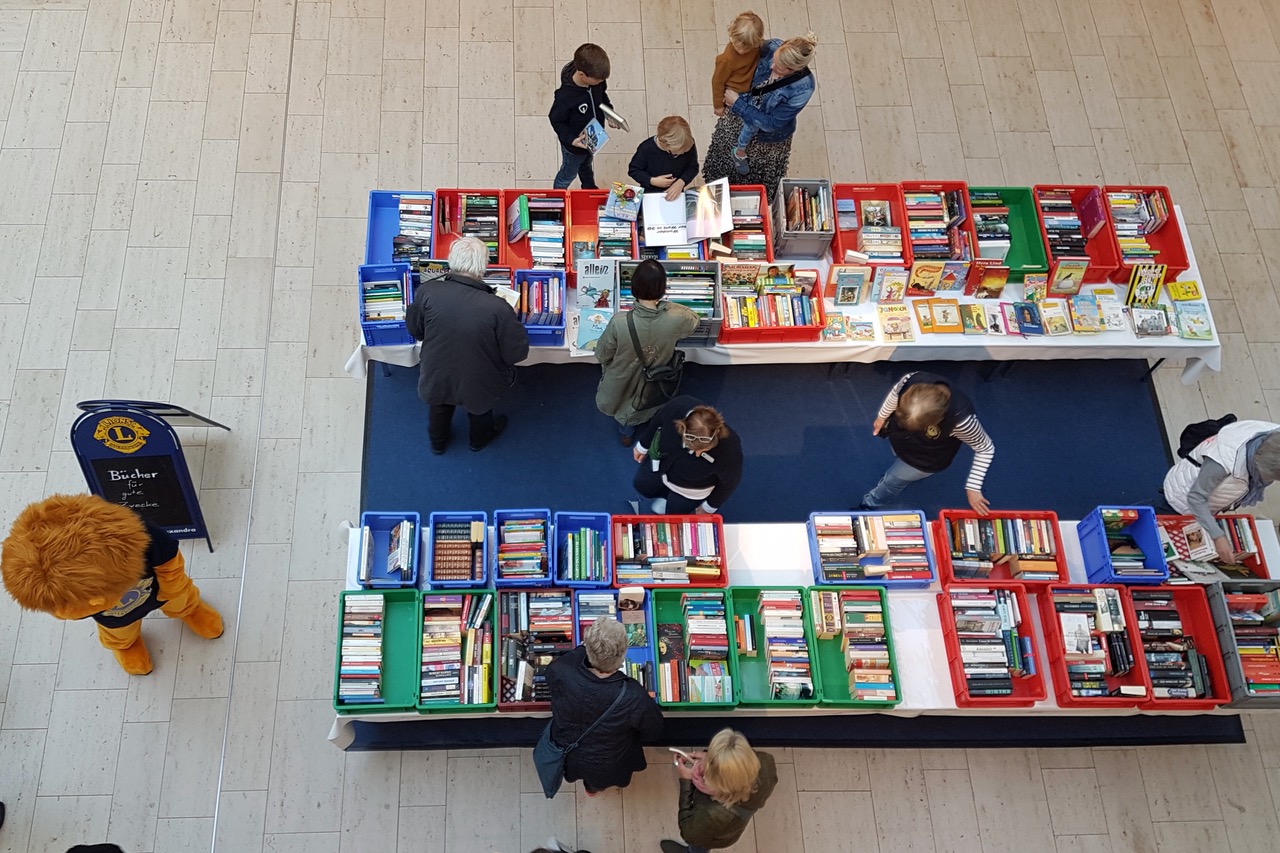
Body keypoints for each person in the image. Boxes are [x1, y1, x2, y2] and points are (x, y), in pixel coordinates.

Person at [2, 494, 224, 675]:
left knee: (180, 599)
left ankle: (190, 610)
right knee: (119, 631)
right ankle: (126, 645)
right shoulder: (65, 590)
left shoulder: (136, 534)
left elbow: (168, 558)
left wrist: (173, 585)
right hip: (115, 616)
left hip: (161, 589)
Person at [405, 236, 529, 453]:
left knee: (439, 405)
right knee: (480, 408)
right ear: (483, 267)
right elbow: (516, 354)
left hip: (436, 373)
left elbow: (416, 330)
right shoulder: (498, 307)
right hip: (479, 380)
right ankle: (479, 440)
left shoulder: (428, 291)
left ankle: (438, 443)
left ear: (452, 260)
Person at [545, 616, 663, 794]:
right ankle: (592, 790)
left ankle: (590, 788)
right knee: (597, 782)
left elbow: (557, 675)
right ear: (623, 655)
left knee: (583, 772)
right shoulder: (634, 695)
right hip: (609, 762)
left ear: (586, 646)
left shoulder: (561, 669)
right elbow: (654, 731)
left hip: (571, 753)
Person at [702, 33, 817, 202]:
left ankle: (754, 194)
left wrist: (737, 104)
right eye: (774, 60)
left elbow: (772, 123)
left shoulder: (804, 88)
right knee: (723, 154)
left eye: (779, 67)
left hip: (767, 136)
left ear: (795, 69)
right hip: (738, 116)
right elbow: (740, 53)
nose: (771, 66)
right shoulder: (771, 46)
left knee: (761, 170)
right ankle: (720, 183)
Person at [595, 260, 700, 445]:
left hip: (623, 377)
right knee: (654, 403)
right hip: (659, 377)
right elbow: (694, 318)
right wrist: (666, 304)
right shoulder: (675, 319)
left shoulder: (619, 322)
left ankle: (626, 434)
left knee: (625, 408)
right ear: (662, 288)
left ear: (634, 286)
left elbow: (602, 354)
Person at [860, 371, 995, 515]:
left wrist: (973, 487)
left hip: (925, 459)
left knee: (892, 480)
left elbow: (985, 448)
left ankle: (871, 503)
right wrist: (882, 417)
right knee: (897, 455)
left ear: (938, 419)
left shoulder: (962, 421)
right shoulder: (910, 379)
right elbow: (895, 394)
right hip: (902, 439)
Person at [1162, 420, 1280, 563]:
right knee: (1150, 527)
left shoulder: (1273, 435)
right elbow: (1195, 498)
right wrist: (1218, 537)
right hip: (1181, 496)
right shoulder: (1223, 462)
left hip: (1213, 497)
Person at [660, 728, 778, 853]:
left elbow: (689, 834)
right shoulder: (765, 764)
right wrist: (714, 758)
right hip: (730, 829)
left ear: (721, 785)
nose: (702, 766)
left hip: (712, 836)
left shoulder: (713, 815)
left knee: (698, 848)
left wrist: (686, 783)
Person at [630, 397, 744, 515]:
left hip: (691, 489)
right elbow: (658, 421)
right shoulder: (678, 407)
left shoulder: (730, 448)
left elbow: (730, 482)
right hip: (661, 465)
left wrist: (709, 507)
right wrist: (643, 446)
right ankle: (665, 496)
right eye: (693, 448)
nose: (698, 454)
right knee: (642, 486)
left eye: (703, 450)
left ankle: (670, 502)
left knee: (674, 513)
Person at [548, 43, 622, 190]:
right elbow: (556, 120)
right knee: (568, 173)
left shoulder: (597, 80)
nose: (601, 83)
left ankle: (589, 187)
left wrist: (609, 113)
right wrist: (571, 139)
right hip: (574, 146)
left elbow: (602, 97)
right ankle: (558, 195)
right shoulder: (565, 97)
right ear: (582, 75)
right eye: (598, 81)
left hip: (592, 139)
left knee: (587, 165)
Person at [709, 11, 766, 174]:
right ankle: (739, 151)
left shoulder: (756, 46)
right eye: (738, 43)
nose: (741, 49)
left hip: (751, 85)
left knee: (755, 116)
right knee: (751, 122)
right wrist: (718, 105)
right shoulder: (726, 59)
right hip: (736, 92)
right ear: (731, 33)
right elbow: (717, 82)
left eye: (747, 46)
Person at [628, 116, 700, 201]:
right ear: (666, 145)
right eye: (678, 153)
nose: (683, 154)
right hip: (651, 195)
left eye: (685, 151)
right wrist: (652, 181)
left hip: (676, 194)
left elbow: (693, 167)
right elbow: (633, 170)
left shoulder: (687, 143)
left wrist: (681, 182)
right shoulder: (646, 148)